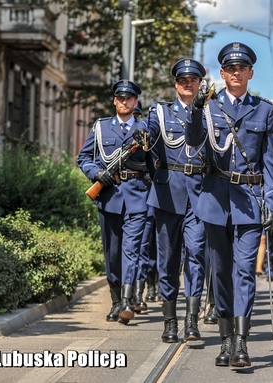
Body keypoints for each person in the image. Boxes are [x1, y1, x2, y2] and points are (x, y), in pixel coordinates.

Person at [185, 42, 273, 368]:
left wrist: (272, 202)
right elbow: (194, 141)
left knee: (244, 272)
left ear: (250, 73)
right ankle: (224, 341)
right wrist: (195, 110)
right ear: (222, 73)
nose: (236, 73)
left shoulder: (264, 110)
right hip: (215, 201)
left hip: (250, 202)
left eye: (242, 68)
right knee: (221, 273)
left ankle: (240, 342)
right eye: (230, 68)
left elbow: (270, 162)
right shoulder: (208, 107)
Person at [77, 79, 151, 325]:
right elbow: (84, 158)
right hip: (109, 196)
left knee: (132, 250)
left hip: (138, 196)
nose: (124, 102)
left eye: (129, 98)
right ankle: (116, 300)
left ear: (135, 102)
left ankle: (128, 301)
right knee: (113, 253)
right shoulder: (101, 127)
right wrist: (97, 174)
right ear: (114, 100)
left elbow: (155, 162)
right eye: (120, 98)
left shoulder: (145, 128)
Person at [145, 58, 208, 344]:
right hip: (168, 194)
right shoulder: (159, 112)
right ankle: (170, 322)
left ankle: (191, 321)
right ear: (175, 84)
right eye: (183, 80)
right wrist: (142, 136)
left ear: (199, 83)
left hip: (200, 194)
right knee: (168, 259)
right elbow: (149, 137)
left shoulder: (210, 111)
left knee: (196, 254)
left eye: (193, 80)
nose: (188, 84)